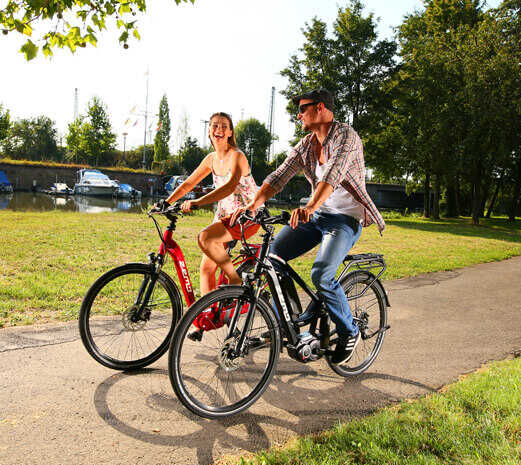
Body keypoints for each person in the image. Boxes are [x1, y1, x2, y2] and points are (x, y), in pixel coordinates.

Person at [231, 88, 385, 364]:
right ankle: (287, 324)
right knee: (271, 259)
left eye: (303, 109)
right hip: (316, 216)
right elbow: (280, 175)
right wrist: (254, 203)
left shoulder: (346, 136)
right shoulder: (307, 144)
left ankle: (349, 331)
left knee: (322, 273)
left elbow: (335, 174)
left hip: (345, 219)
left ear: (322, 108)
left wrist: (310, 206)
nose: (298, 115)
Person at [160, 112, 260, 295]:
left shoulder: (238, 156)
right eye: (215, 125)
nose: (219, 129)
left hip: (247, 216)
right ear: (209, 130)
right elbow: (189, 183)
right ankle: (205, 319)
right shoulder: (211, 159)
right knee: (207, 268)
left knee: (204, 237)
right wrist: (166, 203)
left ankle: (236, 280)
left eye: (224, 126)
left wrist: (197, 202)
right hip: (224, 216)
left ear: (230, 132)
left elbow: (230, 187)